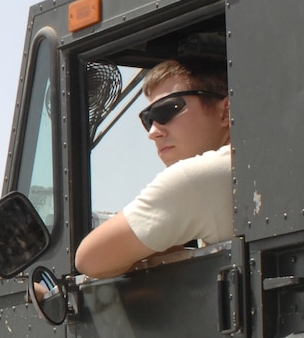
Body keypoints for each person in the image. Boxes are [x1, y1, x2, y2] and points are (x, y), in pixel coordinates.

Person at [75, 59, 232, 279]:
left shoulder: (196, 177)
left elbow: (89, 259)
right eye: (148, 119)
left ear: (225, 112)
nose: (153, 132)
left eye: (169, 109)